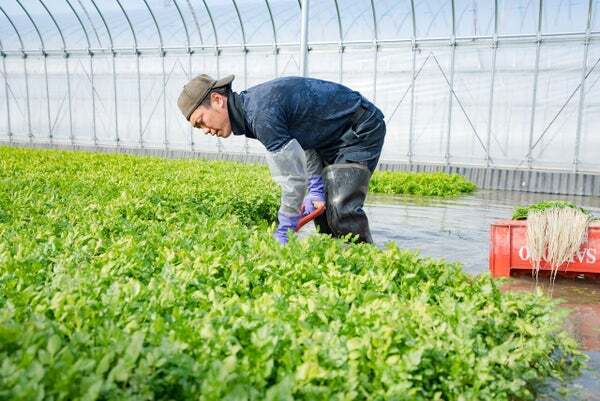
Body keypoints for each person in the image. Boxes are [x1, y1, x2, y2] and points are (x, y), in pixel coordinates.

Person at [177, 74, 386, 245]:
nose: (205, 130)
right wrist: (315, 186)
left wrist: (285, 224)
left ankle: (367, 267)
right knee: (323, 214)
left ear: (217, 100)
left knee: (341, 208)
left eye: (201, 122)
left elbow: (293, 178)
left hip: (360, 128)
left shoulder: (260, 114)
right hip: (330, 138)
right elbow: (305, 140)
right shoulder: (251, 110)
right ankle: (338, 268)